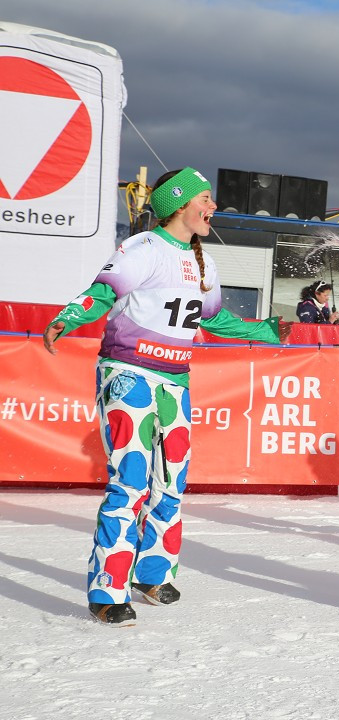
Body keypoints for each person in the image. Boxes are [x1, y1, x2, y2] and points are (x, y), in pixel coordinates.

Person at [43, 167, 292, 625]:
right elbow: (102, 293)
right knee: (131, 481)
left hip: (175, 381)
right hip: (129, 373)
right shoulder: (143, 249)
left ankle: (151, 573)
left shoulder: (204, 263)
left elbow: (213, 321)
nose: (213, 208)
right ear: (178, 204)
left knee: (172, 483)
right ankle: (108, 590)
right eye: (205, 200)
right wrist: (68, 317)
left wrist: (265, 330)